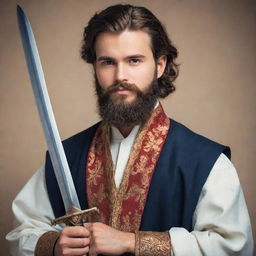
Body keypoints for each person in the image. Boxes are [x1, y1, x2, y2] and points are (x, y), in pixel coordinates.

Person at [6, 4, 253, 256]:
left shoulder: (205, 161)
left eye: (134, 60)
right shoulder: (65, 157)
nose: (120, 76)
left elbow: (233, 246)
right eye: (107, 62)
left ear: (159, 65)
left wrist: (131, 242)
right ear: (95, 67)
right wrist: (55, 245)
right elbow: (20, 234)